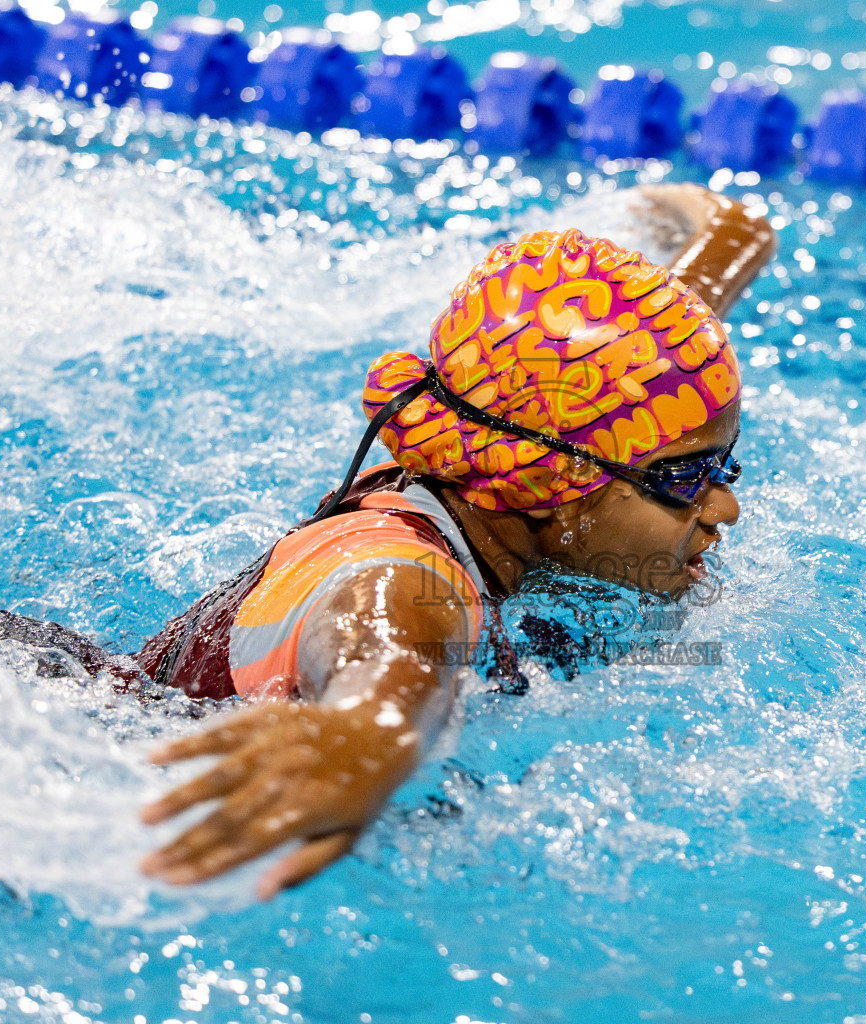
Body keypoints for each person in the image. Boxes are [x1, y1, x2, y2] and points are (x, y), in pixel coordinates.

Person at [127, 183, 776, 899]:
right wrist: (367, 740)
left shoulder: (544, 432)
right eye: (686, 477)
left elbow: (655, 365)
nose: (727, 505)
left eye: (725, 461)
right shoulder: (399, 574)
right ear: (552, 482)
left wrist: (738, 234)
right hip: (113, 754)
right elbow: (387, 657)